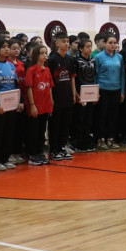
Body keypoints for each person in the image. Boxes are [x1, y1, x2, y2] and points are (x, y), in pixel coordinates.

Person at [0, 39, 23, 171]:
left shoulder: (10, 65)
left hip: (11, 104)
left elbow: (16, 84)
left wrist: (20, 101)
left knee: (9, 132)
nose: (7, 49)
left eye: (8, 47)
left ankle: (5, 158)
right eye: (4, 47)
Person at [47, 32, 77, 160]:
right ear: (56, 43)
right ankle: (54, 150)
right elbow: (48, 81)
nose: (66, 43)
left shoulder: (70, 59)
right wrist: (51, 98)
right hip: (56, 96)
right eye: (63, 41)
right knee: (55, 124)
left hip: (68, 96)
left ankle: (62, 147)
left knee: (65, 124)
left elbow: (72, 78)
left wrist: (74, 93)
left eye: (67, 41)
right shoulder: (52, 59)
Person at [25, 45, 53, 165]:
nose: (45, 55)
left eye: (46, 52)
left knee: (42, 131)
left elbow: (49, 87)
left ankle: (40, 152)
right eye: (42, 53)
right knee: (33, 131)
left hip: (46, 105)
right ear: (36, 55)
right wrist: (32, 105)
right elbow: (29, 88)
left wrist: (51, 102)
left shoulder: (47, 69)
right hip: (36, 105)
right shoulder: (31, 70)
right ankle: (32, 154)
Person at [73, 39, 97, 151]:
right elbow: (74, 79)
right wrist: (77, 95)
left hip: (91, 93)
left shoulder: (93, 60)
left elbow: (94, 77)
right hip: (80, 94)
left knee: (89, 119)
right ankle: (79, 143)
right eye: (87, 46)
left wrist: (96, 94)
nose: (89, 49)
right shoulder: (76, 61)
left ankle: (87, 142)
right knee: (80, 119)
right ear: (81, 48)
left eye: (90, 46)